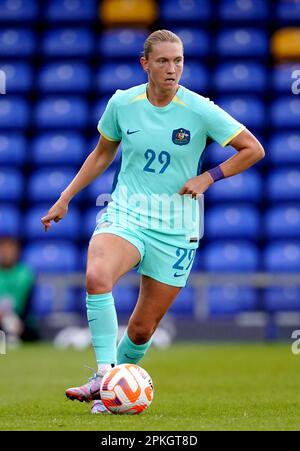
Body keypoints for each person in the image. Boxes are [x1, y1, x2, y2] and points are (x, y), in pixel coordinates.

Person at [41, 30, 265, 414]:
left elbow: (253, 149)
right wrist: (66, 197)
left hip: (176, 227)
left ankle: (111, 392)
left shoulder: (199, 109)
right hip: (126, 212)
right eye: (163, 61)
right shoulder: (122, 103)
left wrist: (209, 176)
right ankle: (104, 376)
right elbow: (101, 154)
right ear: (145, 64)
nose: (172, 68)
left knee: (142, 329)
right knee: (97, 276)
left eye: (178, 61)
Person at [0, 237, 36, 347]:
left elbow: (26, 303)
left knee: (33, 334)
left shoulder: (25, 274)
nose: (7, 254)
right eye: (4, 250)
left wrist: (17, 321)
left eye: (10, 250)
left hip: (20, 319)